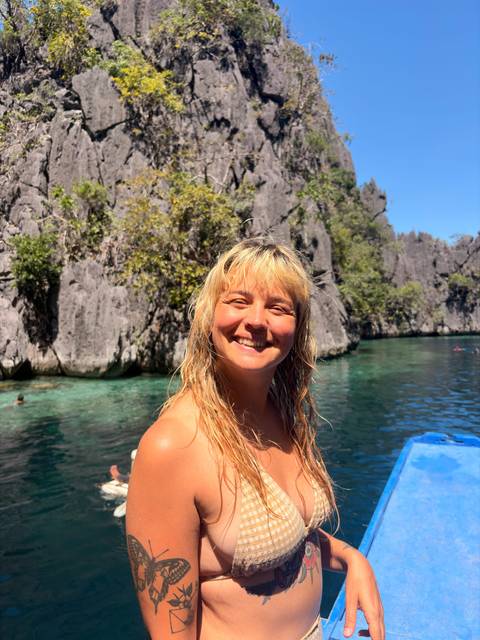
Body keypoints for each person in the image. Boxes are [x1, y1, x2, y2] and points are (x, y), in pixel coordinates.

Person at [126, 240, 384, 640]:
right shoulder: (173, 446)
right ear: (211, 315)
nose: (256, 320)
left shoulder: (282, 413)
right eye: (238, 301)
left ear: (296, 327)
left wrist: (351, 558)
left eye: (278, 307)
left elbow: (295, 536)